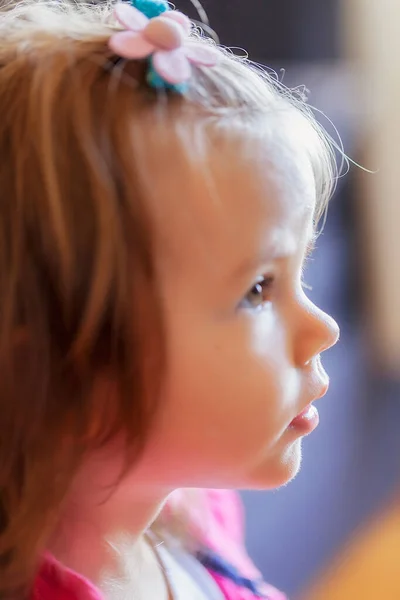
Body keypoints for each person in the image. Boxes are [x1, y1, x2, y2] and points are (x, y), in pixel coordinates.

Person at [0, 0, 340, 598]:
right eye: (257, 289)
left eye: (300, 272)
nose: (323, 328)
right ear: (60, 371)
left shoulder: (191, 506)